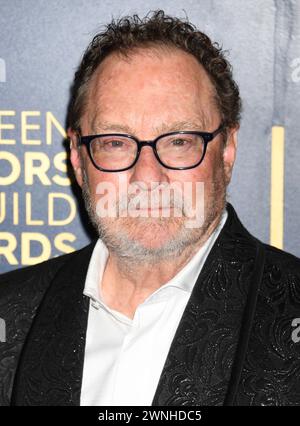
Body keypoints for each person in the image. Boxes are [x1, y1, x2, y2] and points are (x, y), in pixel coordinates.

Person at [0, 10, 300, 407]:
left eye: (178, 140)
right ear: (77, 156)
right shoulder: (11, 313)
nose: (147, 178)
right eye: (115, 142)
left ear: (226, 150)